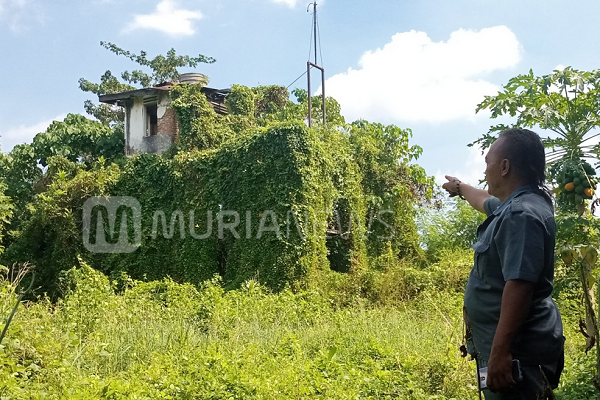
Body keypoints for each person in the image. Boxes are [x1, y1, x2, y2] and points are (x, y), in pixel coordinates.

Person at [442, 129, 564, 400]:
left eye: (488, 163)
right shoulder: (518, 204)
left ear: (505, 166)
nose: (485, 171)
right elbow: (483, 200)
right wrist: (460, 188)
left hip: (515, 357)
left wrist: (500, 353)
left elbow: (519, 285)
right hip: (505, 350)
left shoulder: (521, 215)